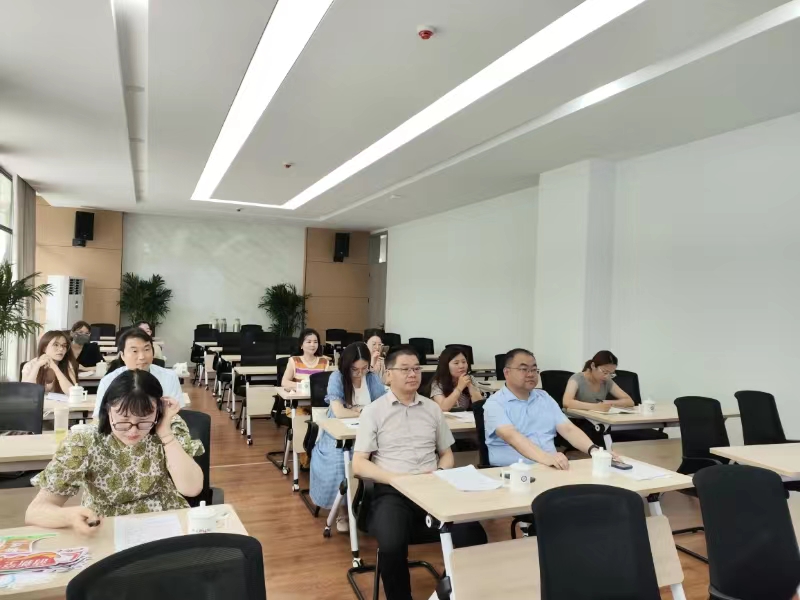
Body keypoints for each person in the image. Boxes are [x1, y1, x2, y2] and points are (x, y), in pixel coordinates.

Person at [353, 346, 487, 600]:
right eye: (405, 369)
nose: (413, 374)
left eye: (416, 368)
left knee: (474, 535)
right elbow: (359, 464)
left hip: (433, 488)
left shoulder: (432, 409)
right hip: (392, 491)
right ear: (388, 375)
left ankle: (446, 592)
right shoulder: (373, 411)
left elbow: (446, 453)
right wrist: (396, 479)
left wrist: (440, 472)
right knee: (391, 544)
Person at [26, 370, 204, 532]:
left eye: (144, 419)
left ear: (159, 411)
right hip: (106, 526)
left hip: (165, 520)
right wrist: (69, 517)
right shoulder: (85, 441)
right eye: (124, 419)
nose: (133, 430)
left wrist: (165, 432)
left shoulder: (168, 427)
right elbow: (35, 511)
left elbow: (192, 488)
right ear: (108, 409)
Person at [484, 348, 607, 468]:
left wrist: (595, 450)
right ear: (507, 372)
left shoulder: (544, 398)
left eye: (534, 369)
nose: (530, 374)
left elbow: (568, 429)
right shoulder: (495, 403)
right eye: (524, 369)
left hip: (550, 467)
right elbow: (512, 437)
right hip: (512, 470)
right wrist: (547, 458)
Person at [309, 342, 385, 532]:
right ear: (346, 365)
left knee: (386, 456)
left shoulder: (372, 378)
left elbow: (381, 406)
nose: (359, 373)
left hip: (368, 431)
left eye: (364, 368)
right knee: (340, 461)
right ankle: (343, 511)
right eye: (355, 369)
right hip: (337, 433)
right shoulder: (337, 377)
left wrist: (357, 411)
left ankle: (374, 506)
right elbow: (339, 412)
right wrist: (363, 411)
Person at [92, 328, 184, 417]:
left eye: (146, 349)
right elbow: (99, 417)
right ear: (122, 355)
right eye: (134, 351)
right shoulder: (108, 381)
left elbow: (176, 413)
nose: (142, 357)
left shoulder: (169, 377)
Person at [562, 350, 634, 412]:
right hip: (576, 420)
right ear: (593, 366)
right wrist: (595, 407)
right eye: (605, 372)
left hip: (597, 420)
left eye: (611, 374)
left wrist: (606, 403)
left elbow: (629, 401)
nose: (607, 376)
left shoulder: (607, 381)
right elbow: (566, 402)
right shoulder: (577, 378)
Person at [430, 346, 482, 412]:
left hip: (465, 417)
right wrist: (459, 388)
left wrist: (470, 385)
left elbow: (480, 406)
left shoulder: (470, 378)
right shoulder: (437, 383)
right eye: (456, 363)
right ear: (446, 365)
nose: (461, 366)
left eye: (464, 362)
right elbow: (443, 408)